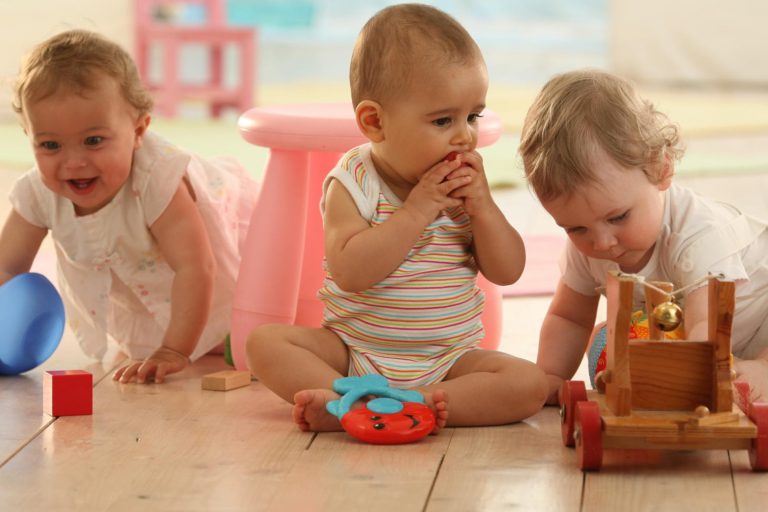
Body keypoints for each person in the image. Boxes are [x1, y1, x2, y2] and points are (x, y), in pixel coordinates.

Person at [246, 3, 548, 432]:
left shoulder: (466, 189)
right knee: (265, 343)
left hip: (449, 360)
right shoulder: (354, 180)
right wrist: (417, 210)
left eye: (472, 116)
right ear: (375, 122)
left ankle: (404, 403)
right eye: (442, 120)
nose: (464, 136)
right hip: (352, 352)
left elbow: (508, 271)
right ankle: (349, 396)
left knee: (529, 384)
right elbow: (351, 272)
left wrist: (483, 209)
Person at [4, 29, 257, 384]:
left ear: (138, 131)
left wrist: (175, 350)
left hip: (210, 277)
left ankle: (201, 337)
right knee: (148, 345)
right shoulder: (37, 192)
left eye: (94, 141)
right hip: (145, 294)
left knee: (240, 337)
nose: (73, 162)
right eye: (50, 145)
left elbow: (195, 267)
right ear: (29, 137)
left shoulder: (157, 179)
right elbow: (7, 268)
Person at [519, 69, 768, 404]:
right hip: (701, 343)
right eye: (575, 228)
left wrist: (688, 381)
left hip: (748, 324)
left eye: (618, 217)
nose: (602, 243)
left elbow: (706, 326)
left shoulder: (698, 234)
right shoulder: (588, 247)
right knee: (607, 340)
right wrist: (550, 377)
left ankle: (762, 370)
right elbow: (569, 318)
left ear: (661, 169)